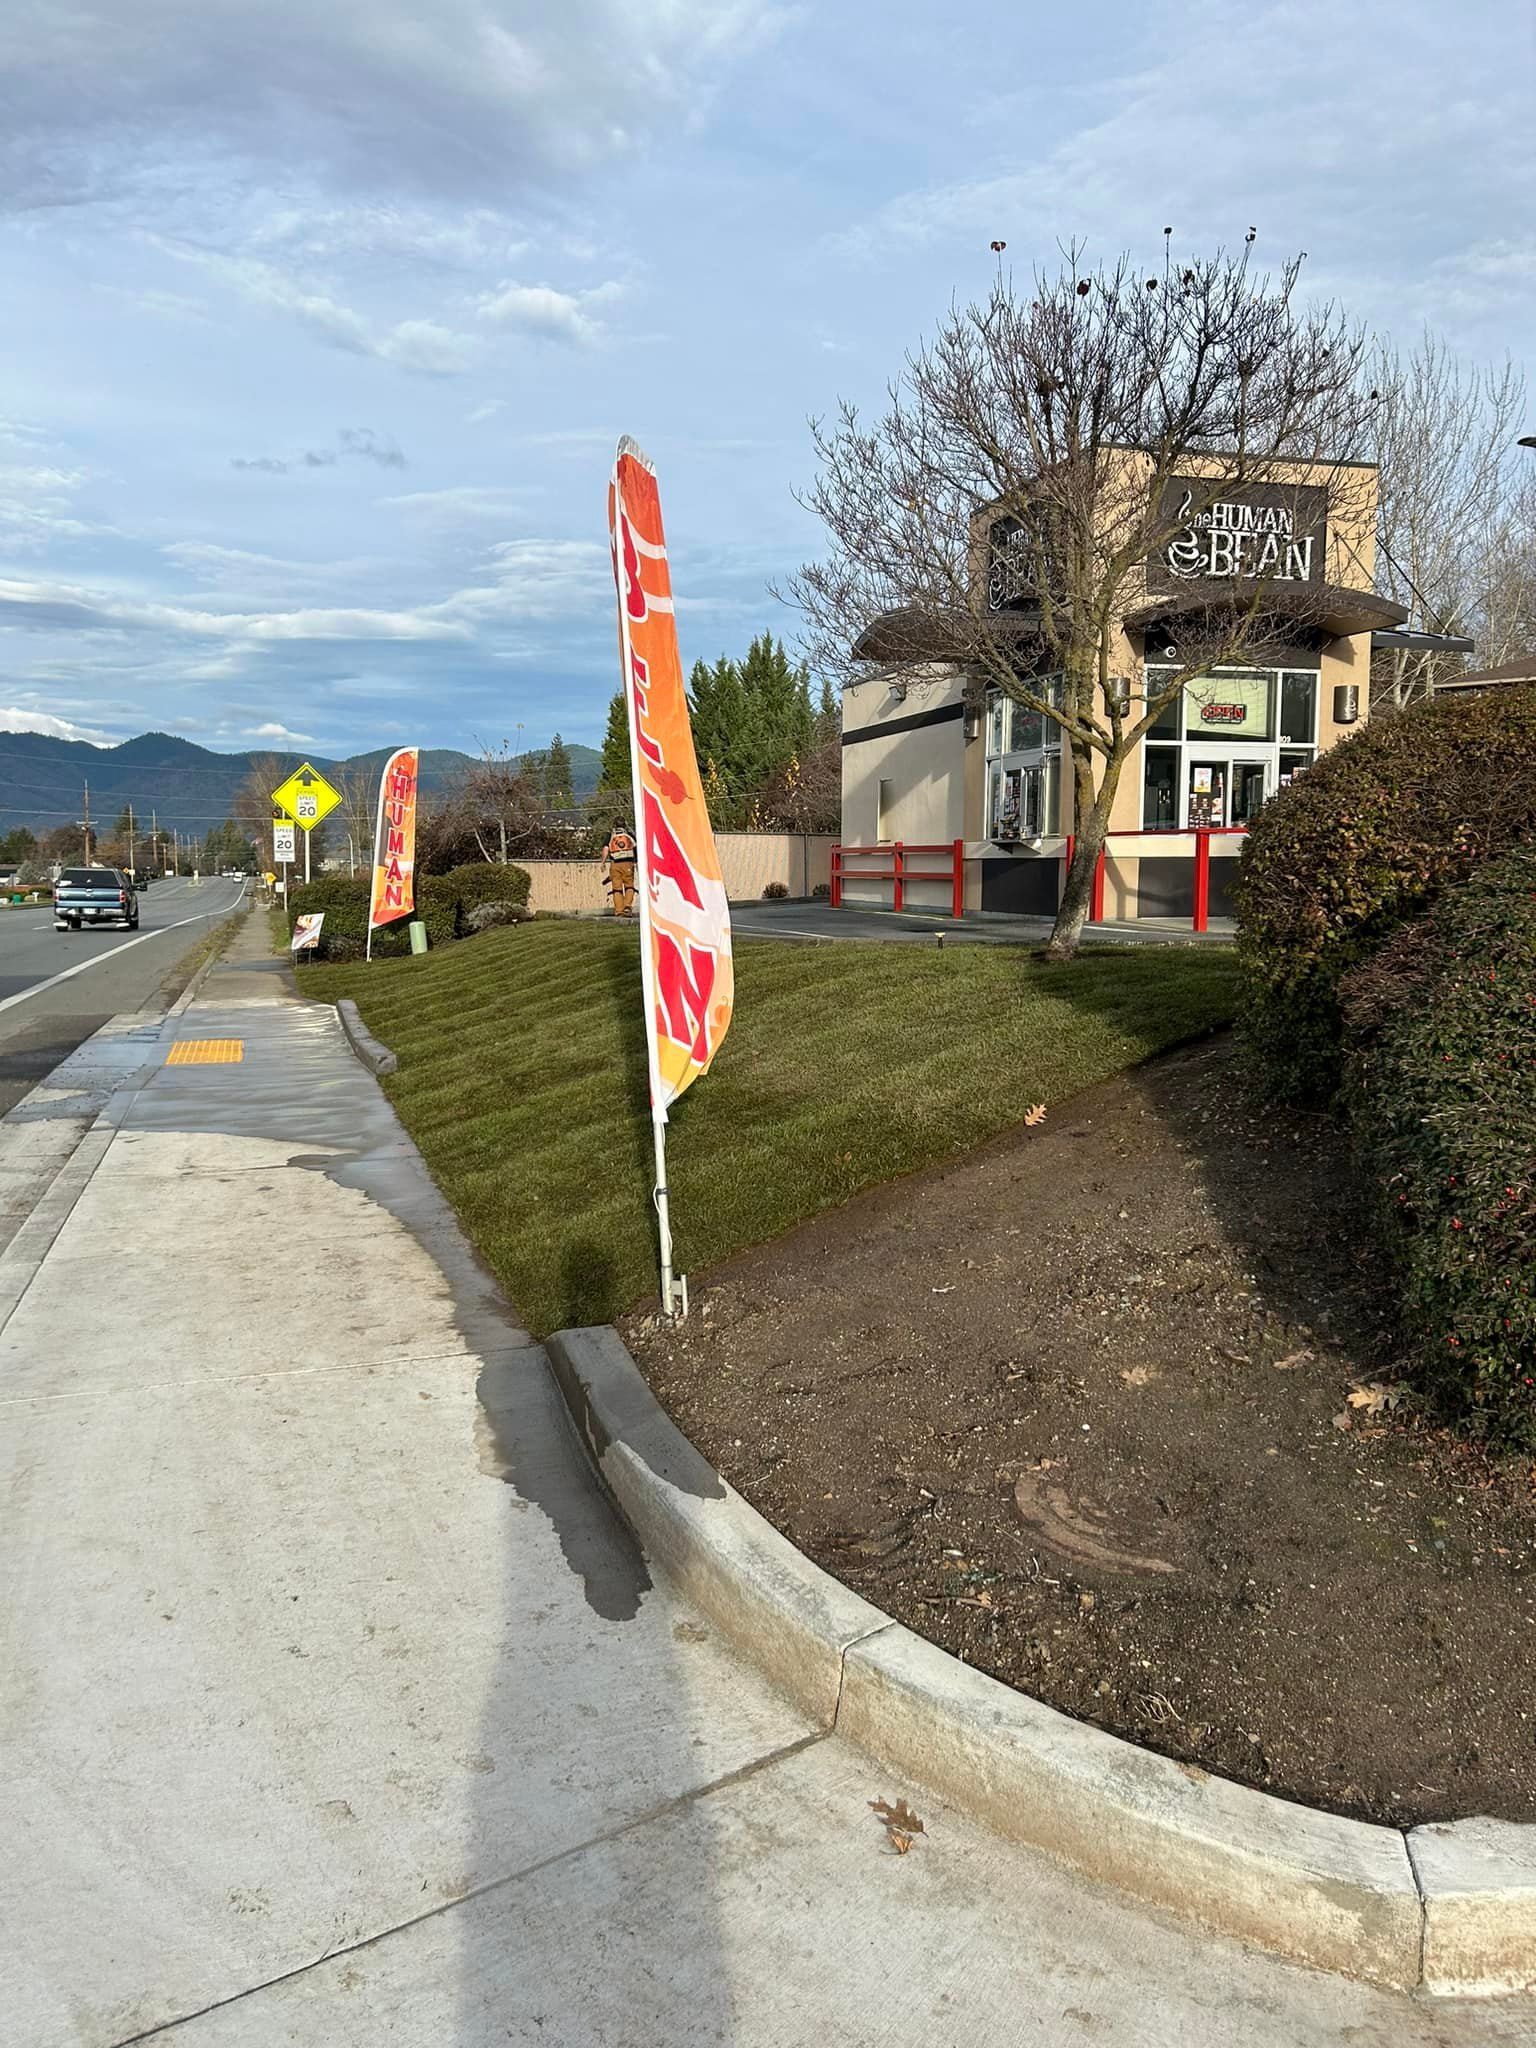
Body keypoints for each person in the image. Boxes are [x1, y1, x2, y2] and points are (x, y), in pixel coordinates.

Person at [601, 824, 637, 915]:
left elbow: (606, 848)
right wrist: (636, 861)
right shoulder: (629, 834)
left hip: (615, 864)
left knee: (617, 888)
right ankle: (627, 906)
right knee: (629, 886)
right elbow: (635, 847)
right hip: (628, 863)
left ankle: (619, 911)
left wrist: (603, 862)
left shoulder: (610, 835)